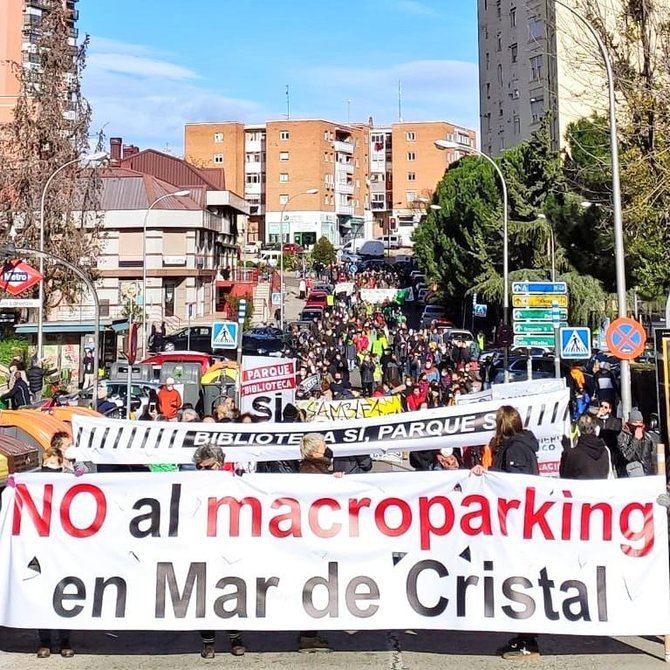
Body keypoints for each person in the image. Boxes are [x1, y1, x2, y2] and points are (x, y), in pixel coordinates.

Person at [472, 406, 540, 659]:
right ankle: (523, 635)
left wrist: (489, 477)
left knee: (518, 576)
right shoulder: (516, 446)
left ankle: (527, 639)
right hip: (515, 523)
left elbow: (515, 487)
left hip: (516, 524)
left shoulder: (515, 449)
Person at [192, 444, 247, 658]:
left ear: (220, 463)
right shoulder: (193, 485)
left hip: (230, 544)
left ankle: (236, 638)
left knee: (232, 590)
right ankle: (208, 642)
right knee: (204, 593)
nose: (203, 472)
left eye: (208, 467)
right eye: (200, 468)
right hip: (203, 544)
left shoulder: (237, 482)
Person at [36, 433, 74, 658]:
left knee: (65, 590)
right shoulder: (34, 483)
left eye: (53, 466)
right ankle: (44, 641)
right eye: (46, 466)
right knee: (43, 592)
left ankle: (65, 639)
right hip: (42, 547)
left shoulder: (69, 481)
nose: (49, 470)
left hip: (65, 546)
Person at [298, 434, 335, 652]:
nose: (327, 448)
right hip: (314, 538)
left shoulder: (317, 468)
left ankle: (310, 633)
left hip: (318, 535)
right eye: (323, 446)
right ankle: (308, 635)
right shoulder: (311, 472)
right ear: (313, 451)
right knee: (314, 584)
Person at [560, 414, 611, 479]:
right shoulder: (605, 450)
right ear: (595, 429)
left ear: (578, 430)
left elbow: (564, 478)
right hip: (600, 488)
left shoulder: (573, 454)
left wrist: (566, 451)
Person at [616, 409, 656, 476]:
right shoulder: (622, 436)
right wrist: (636, 439)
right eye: (635, 423)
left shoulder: (647, 437)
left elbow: (650, 458)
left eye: (640, 423)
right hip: (629, 474)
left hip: (646, 474)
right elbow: (626, 457)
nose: (638, 425)